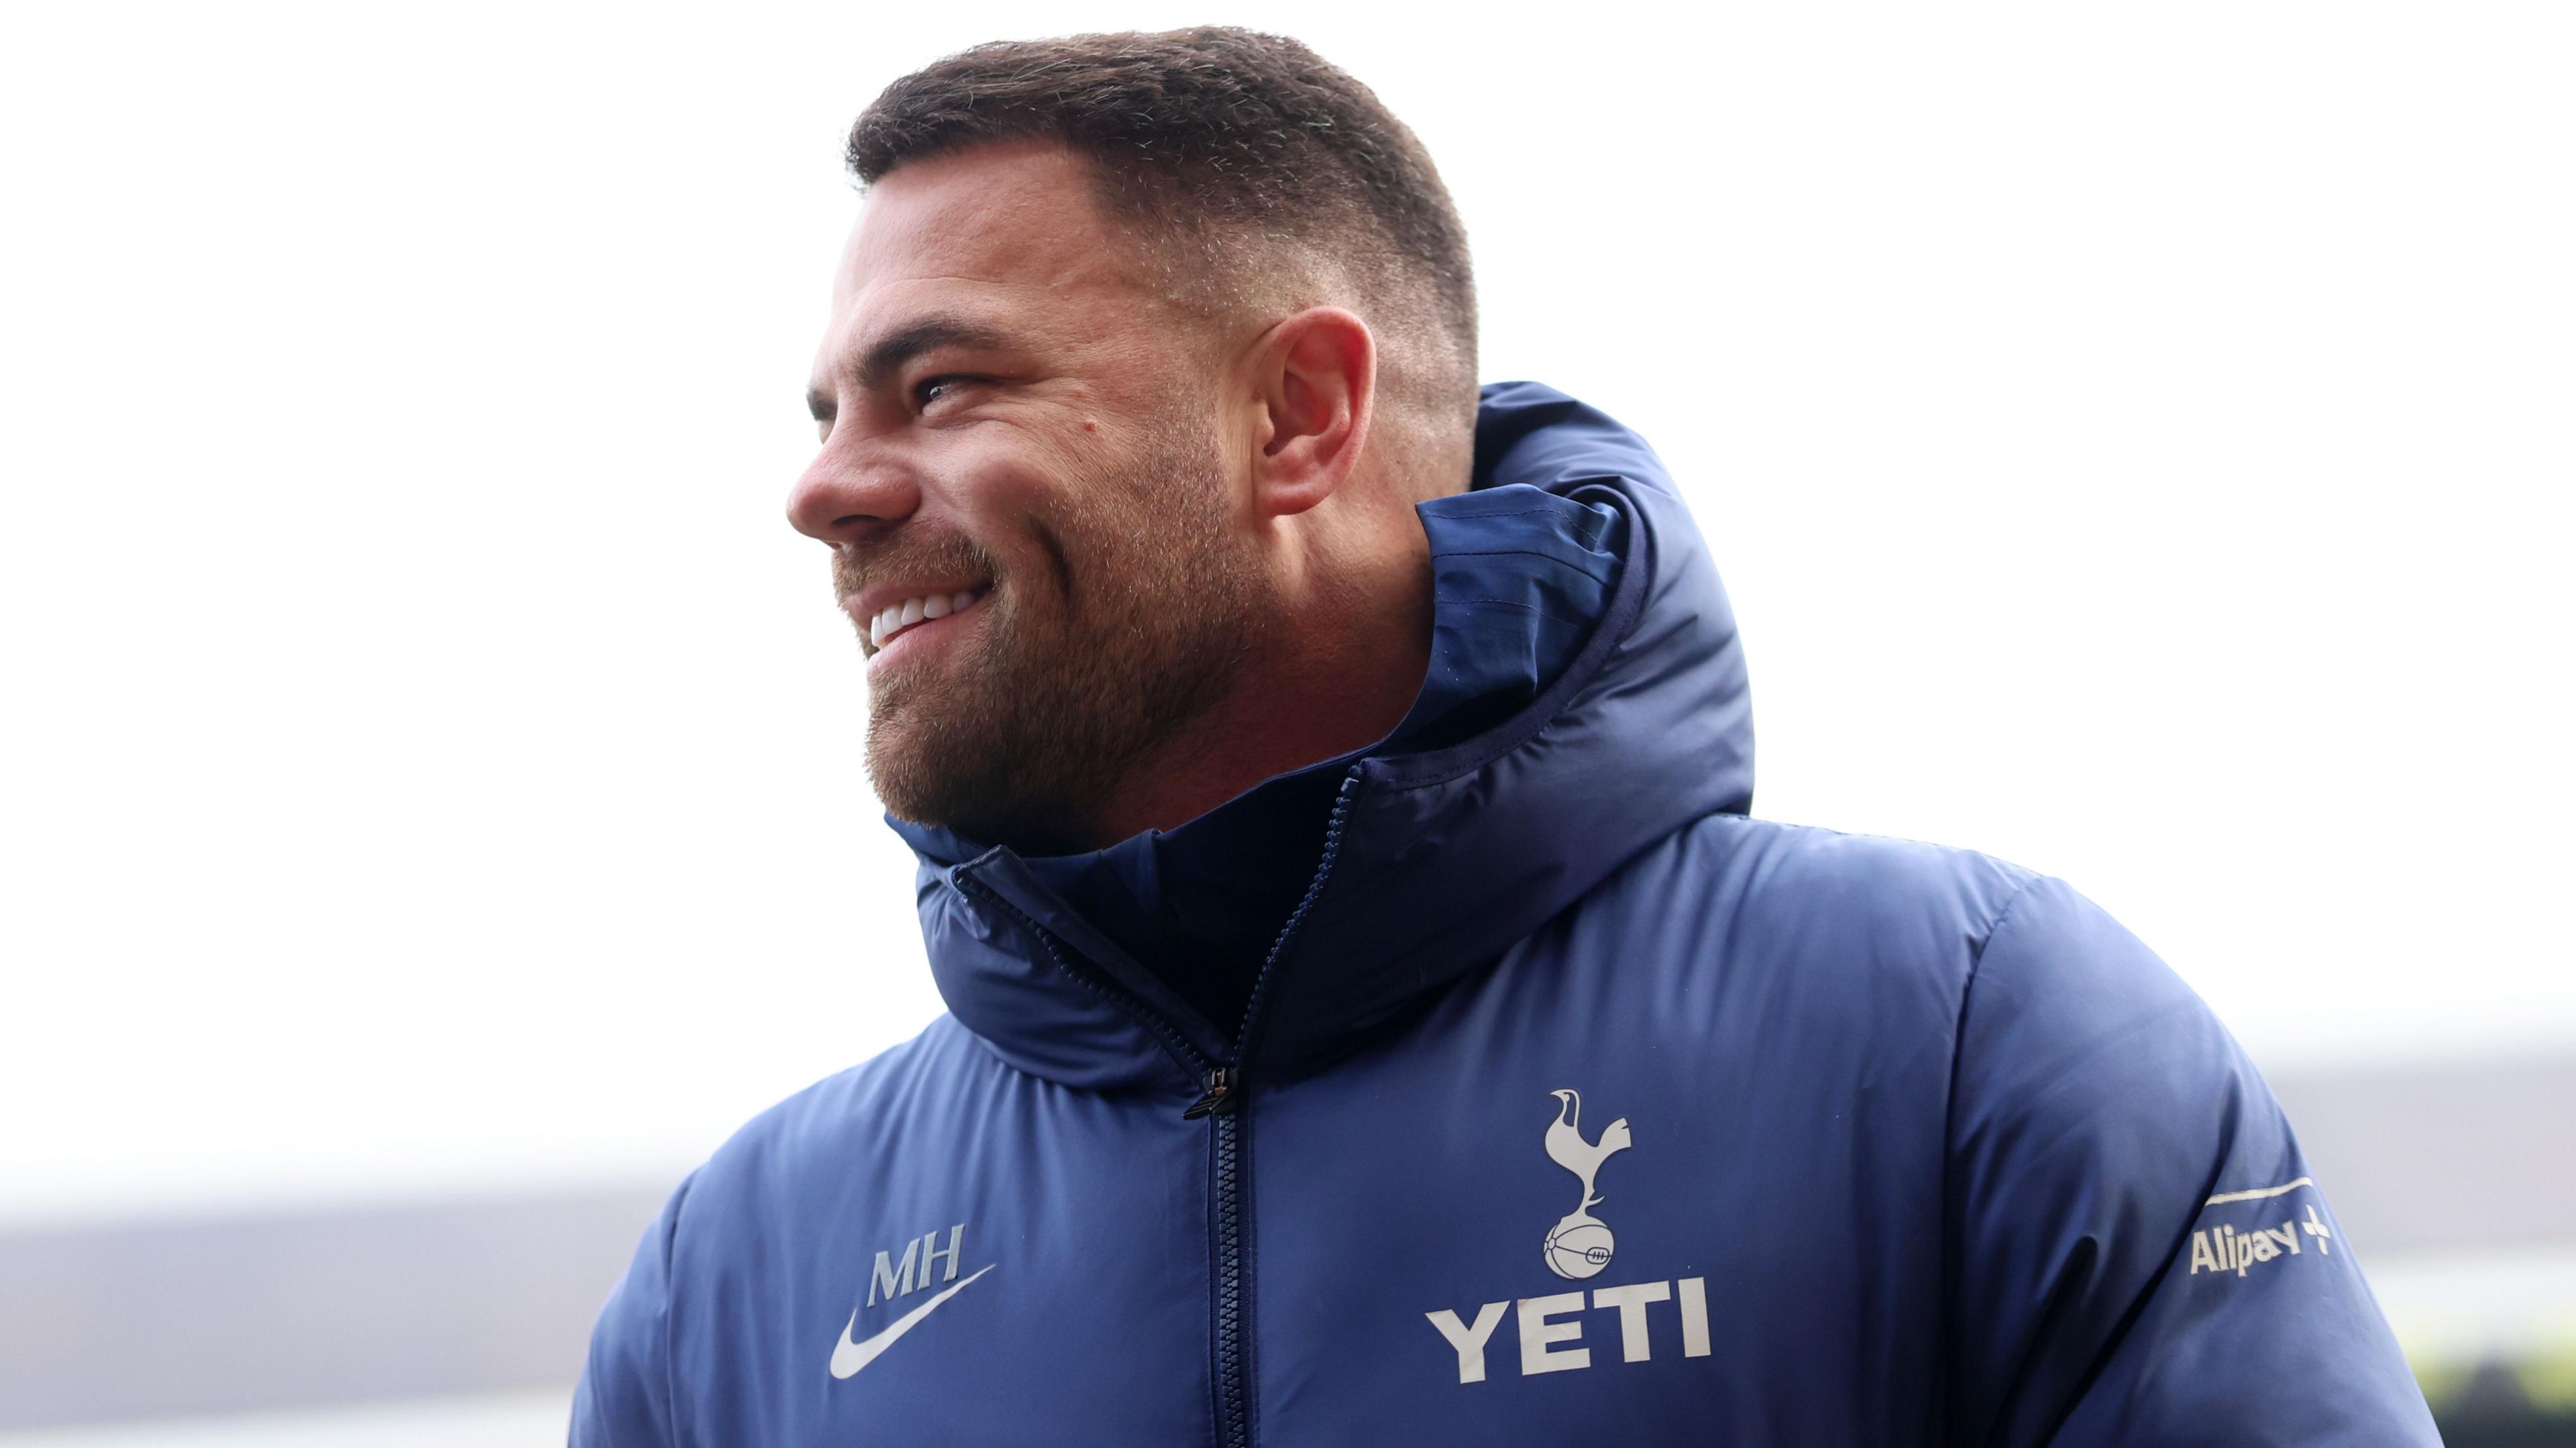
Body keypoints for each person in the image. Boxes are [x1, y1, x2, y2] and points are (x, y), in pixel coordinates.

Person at [573, 26, 2438, 1446]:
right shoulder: (742, 1277)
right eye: (829, 410)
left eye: (943, 384)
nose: (823, 490)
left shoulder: (1964, 1037)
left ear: (1299, 416)